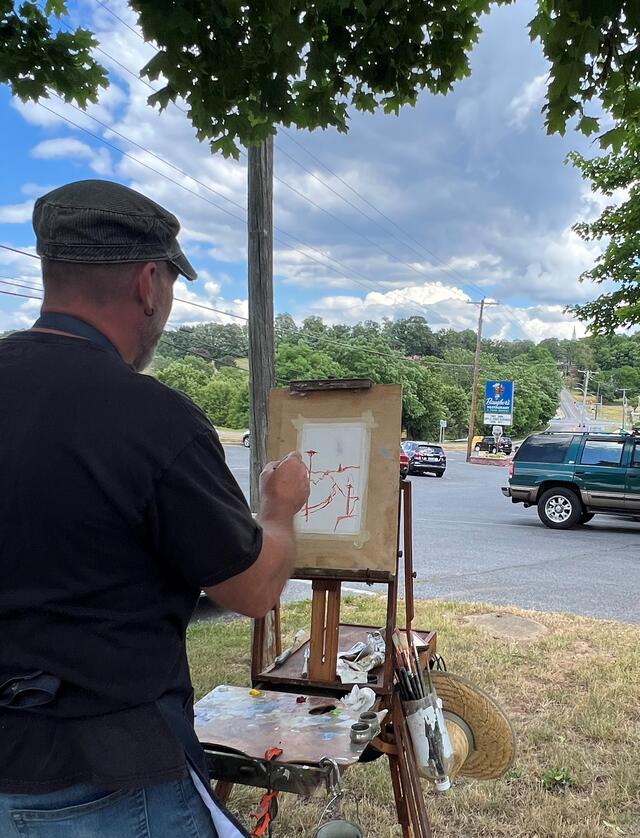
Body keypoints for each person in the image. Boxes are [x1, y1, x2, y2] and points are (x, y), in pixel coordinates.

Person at [0, 179, 310, 837]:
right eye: (170, 287)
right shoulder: (151, 420)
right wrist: (279, 511)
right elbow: (252, 589)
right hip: (106, 778)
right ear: (149, 283)